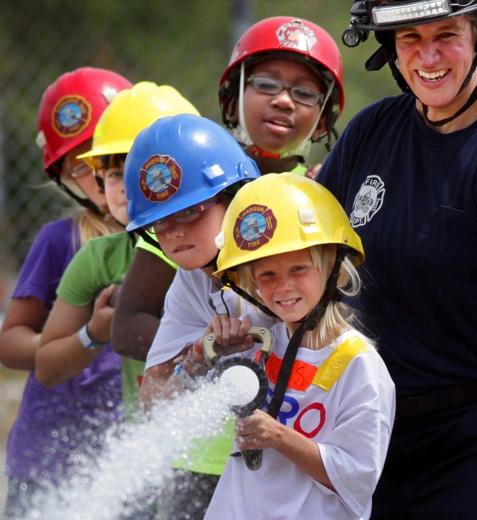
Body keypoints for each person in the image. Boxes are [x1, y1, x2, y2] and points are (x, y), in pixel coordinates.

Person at [317, 1, 477, 518]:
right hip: (369, 431)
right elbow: (311, 258)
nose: (429, 55)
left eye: (447, 34)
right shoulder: (372, 130)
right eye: (410, 38)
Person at [111, 15, 345, 365]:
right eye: (266, 84)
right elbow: (129, 324)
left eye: (305, 93)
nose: (284, 100)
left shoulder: (320, 194)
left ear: (323, 120)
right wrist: (214, 351)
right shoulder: (186, 191)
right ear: (233, 101)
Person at [171, 172, 394, 519]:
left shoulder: (357, 363)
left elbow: (358, 477)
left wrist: (278, 436)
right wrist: (202, 353)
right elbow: (173, 402)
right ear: (250, 284)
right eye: (267, 275)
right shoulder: (257, 346)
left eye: (299, 268)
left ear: (331, 266)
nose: (283, 287)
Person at [122, 113, 271, 518]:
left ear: (235, 196)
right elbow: (153, 399)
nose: (172, 232)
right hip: (215, 465)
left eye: (190, 212)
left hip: (293, 456)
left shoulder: (285, 261)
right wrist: (198, 357)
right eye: (158, 223)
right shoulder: (191, 281)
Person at [0, 67, 132, 518]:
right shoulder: (60, 241)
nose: (98, 177)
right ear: (61, 175)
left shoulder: (176, 244)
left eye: (110, 159)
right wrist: (74, 340)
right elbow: (12, 341)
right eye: (80, 165)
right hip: (47, 459)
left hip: (128, 459)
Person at [35, 82, 199, 426]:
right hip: (150, 442)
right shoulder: (98, 259)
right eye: (113, 172)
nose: (127, 184)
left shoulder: (213, 244)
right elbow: (46, 367)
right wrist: (93, 332)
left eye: (145, 168)